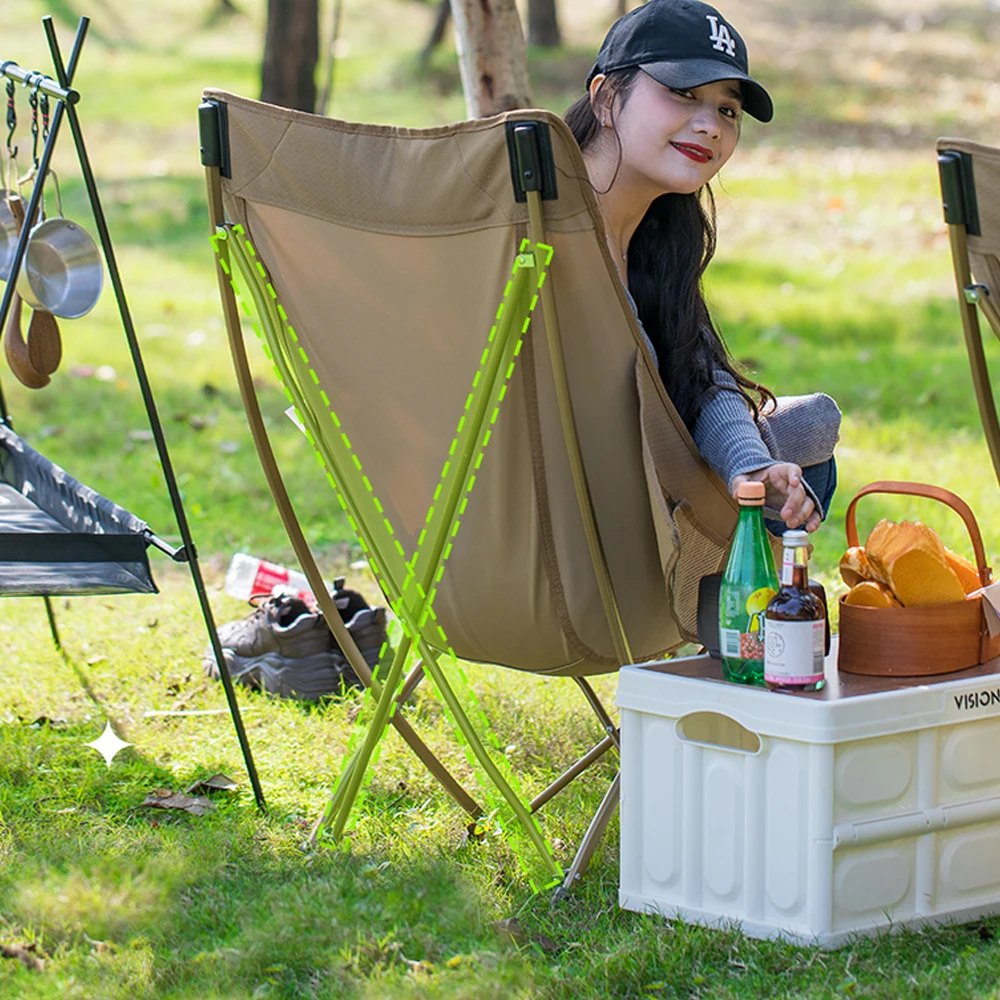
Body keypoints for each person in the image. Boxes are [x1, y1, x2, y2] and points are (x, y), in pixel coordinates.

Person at [565, 0, 840, 533]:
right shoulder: (548, 234)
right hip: (578, 516)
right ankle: (726, 611)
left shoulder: (659, 232)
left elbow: (696, 375)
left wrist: (749, 466)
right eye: (682, 94)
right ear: (604, 98)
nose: (710, 125)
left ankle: (741, 609)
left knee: (805, 429)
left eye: (727, 110)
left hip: (645, 482)